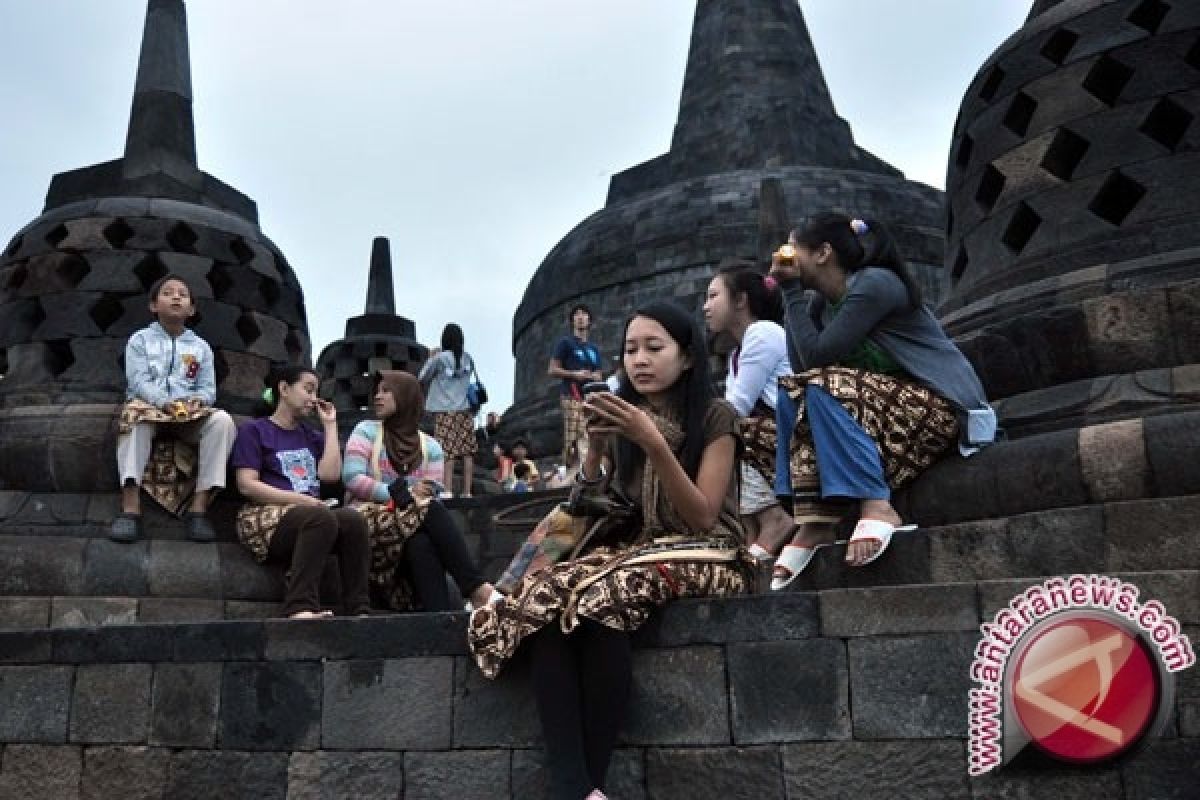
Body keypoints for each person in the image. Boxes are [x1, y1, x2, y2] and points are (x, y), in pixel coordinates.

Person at [469, 300, 751, 800]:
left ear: (686, 357)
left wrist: (654, 444)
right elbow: (592, 505)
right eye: (630, 349)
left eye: (654, 348)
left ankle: (583, 783)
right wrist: (597, 452)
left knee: (601, 599)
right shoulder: (624, 416)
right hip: (635, 548)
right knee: (545, 596)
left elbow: (704, 515)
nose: (639, 360)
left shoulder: (716, 417)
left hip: (710, 551)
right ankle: (575, 787)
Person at [768, 213, 997, 588]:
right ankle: (814, 520)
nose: (786, 258)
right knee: (792, 392)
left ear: (823, 252)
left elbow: (818, 360)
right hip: (885, 418)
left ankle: (877, 504)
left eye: (794, 250)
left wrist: (791, 291)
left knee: (820, 383)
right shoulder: (820, 307)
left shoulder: (875, 284)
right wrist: (790, 297)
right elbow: (800, 369)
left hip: (937, 408)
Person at [342, 370, 498, 612]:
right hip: (365, 522)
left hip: (408, 525)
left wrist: (412, 495)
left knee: (422, 543)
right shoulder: (366, 431)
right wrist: (394, 493)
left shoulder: (431, 447)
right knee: (430, 510)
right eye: (377, 391)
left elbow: (430, 492)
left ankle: (440, 620)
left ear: (406, 397)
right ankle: (476, 588)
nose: (377, 397)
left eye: (387, 391)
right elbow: (352, 478)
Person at [230, 365, 371, 619]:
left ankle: (358, 609)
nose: (314, 398)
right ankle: (299, 606)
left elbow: (330, 475)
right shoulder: (255, 431)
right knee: (320, 517)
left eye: (316, 391)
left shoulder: (310, 435)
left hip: (310, 515)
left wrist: (330, 426)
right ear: (284, 389)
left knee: (353, 520)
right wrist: (301, 501)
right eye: (308, 389)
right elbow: (247, 484)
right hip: (264, 515)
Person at [110, 274, 236, 543]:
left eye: (183, 293)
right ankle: (130, 508)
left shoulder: (201, 348)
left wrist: (198, 401)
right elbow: (138, 380)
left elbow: (208, 389)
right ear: (154, 305)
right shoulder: (140, 340)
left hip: (187, 414)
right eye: (168, 292)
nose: (176, 296)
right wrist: (163, 402)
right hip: (150, 407)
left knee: (222, 421)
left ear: (191, 308)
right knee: (132, 417)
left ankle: (199, 509)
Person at [702, 261, 795, 564]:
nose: (706, 307)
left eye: (714, 296)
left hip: (792, 432)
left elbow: (736, 407)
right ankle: (753, 530)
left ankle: (775, 520)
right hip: (773, 435)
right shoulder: (736, 353)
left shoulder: (763, 333)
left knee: (732, 430)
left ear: (740, 300)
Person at [418, 323, 478, 498]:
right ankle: (467, 491)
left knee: (447, 451)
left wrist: (430, 357)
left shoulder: (440, 358)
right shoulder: (468, 358)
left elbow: (422, 377)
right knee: (467, 452)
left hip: (445, 410)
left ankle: (448, 490)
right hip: (465, 409)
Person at [548, 303, 604, 467]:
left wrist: (594, 377)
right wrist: (574, 374)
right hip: (571, 394)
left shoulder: (593, 348)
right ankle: (574, 471)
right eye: (577, 314)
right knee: (575, 436)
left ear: (589, 320)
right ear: (572, 321)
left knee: (588, 433)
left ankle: (584, 472)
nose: (580, 317)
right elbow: (552, 369)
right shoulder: (565, 343)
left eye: (584, 314)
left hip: (589, 396)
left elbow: (599, 373)